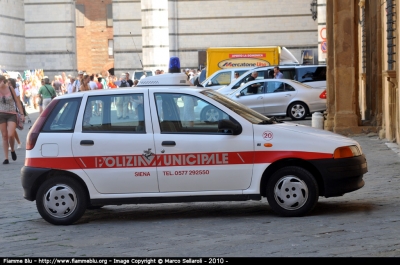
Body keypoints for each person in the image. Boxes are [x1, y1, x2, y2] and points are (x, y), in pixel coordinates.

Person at [0, 75, 25, 164]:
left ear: (3, 81)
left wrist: (22, 114)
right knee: (4, 136)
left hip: (12, 114)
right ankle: (6, 158)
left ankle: (13, 150)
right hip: (1, 114)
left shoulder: (10, 88)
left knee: (11, 134)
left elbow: (17, 101)